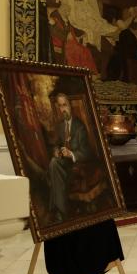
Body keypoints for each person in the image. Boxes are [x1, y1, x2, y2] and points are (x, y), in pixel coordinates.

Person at [47, 93, 91, 222]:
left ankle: (58, 211)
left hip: (75, 165)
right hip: (62, 164)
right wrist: (56, 150)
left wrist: (71, 154)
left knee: (53, 166)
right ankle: (61, 211)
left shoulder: (79, 126)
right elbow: (56, 144)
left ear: (70, 106)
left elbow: (87, 153)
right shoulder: (60, 126)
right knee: (54, 161)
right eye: (60, 106)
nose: (63, 109)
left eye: (64, 105)